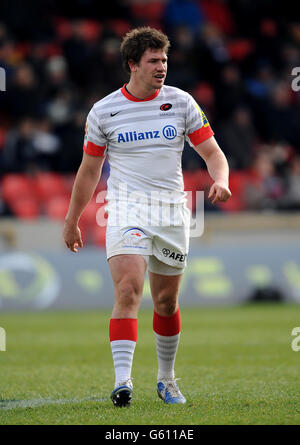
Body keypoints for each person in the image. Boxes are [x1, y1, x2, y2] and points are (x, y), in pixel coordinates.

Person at [63, 27, 231, 407]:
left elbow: (213, 153)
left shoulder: (183, 102)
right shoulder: (104, 110)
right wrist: (72, 218)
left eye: (165, 60)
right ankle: (123, 382)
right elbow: (89, 170)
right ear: (133, 64)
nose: (162, 67)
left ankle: (166, 379)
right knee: (127, 290)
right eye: (154, 61)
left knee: (166, 303)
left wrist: (220, 179)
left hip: (171, 211)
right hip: (124, 208)